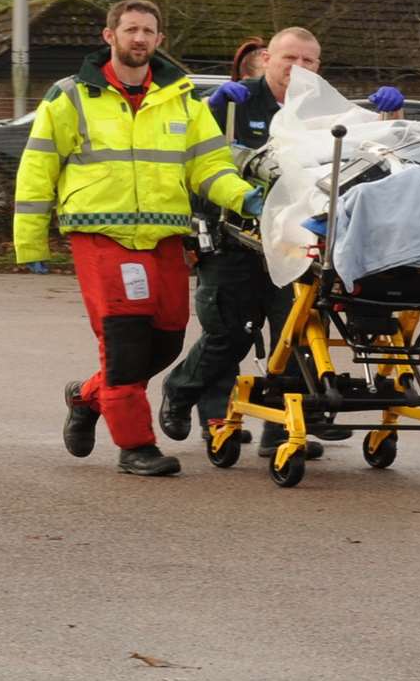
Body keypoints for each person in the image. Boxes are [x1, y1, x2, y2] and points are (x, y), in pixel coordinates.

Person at [14, 0, 261, 476]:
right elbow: (37, 167)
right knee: (125, 342)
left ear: (159, 40)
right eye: (130, 30)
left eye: (148, 31)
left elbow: (210, 167)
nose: (139, 39)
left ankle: (86, 398)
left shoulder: (184, 100)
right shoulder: (70, 96)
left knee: (166, 343)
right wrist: (30, 241)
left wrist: (245, 198)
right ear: (109, 36)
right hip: (101, 235)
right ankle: (135, 446)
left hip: (165, 237)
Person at [157, 27, 405, 459]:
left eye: (309, 62)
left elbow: (372, 151)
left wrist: (392, 116)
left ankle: (281, 429)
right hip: (234, 237)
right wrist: (210, 111)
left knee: (296, 334)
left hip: (295, 239)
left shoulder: (323, 111)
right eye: (290, 58)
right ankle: (180, 391)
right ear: (267, 58)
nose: (299, 69)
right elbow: (191, 149)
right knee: (230, 333)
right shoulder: (238, 102)